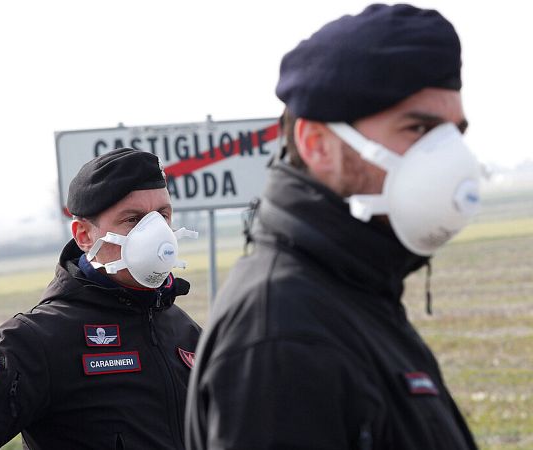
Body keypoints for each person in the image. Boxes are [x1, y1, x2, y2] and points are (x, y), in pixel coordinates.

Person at [185, 4, 480, 449]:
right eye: (419, 127)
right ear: (317, 144)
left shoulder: (351, 290)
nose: (448, 156)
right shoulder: (283, 333)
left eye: (455, 133)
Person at [0, 148, 201, 449]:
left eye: (162, 215)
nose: (156, 231)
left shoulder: (185, 331)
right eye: (133, 219)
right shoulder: (39, 339)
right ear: (83, 236)